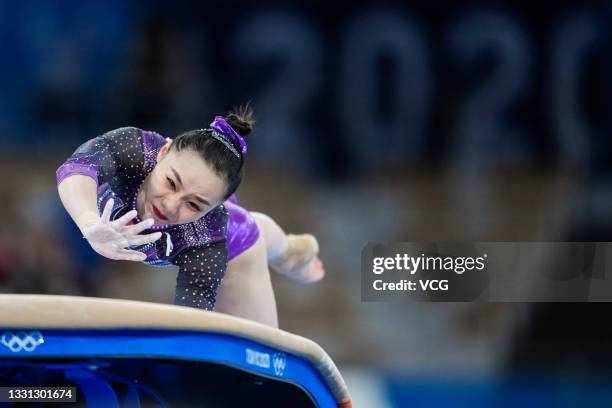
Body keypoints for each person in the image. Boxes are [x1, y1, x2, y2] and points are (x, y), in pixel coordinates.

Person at [56, 106, 323, 328]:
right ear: (163, 153)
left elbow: (193, 323)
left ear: (217, 206)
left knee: (260, 356)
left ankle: (289, 252)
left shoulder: (208, 236)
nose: (170, 205)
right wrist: (89, 221)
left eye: (193, 204)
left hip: (237, 239)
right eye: (171, 182)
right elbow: (77, 167)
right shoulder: (135, 151)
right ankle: (291, 250)